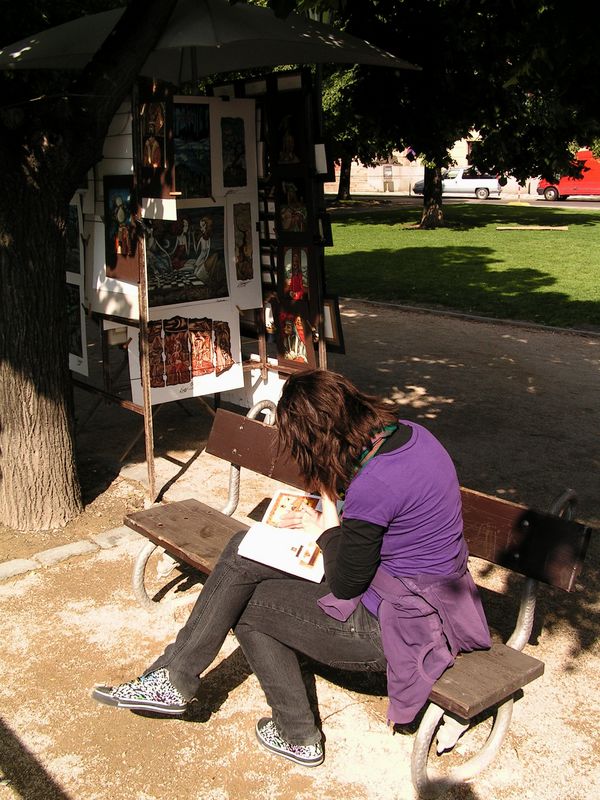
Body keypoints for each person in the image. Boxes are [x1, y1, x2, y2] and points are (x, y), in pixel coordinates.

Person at [91, 370, 491, 768]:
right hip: (415, 593)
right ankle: (175, 678)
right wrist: (331, 513)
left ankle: (294, 733)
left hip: (393, 627)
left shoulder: (377, 485)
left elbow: (347, 583)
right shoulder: (411, 436)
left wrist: (328, 527)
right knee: (242, 548)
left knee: (247, 608)